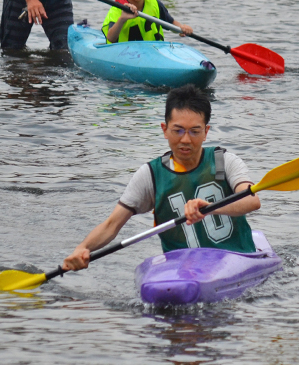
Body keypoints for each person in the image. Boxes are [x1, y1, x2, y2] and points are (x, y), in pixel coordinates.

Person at [63, 85, 261, 271]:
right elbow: (111, 225)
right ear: (164, 130)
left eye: (194, 131)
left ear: (206, 132)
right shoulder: (151, 175)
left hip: (236, 260)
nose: (185, 139)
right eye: (178, 130)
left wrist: (211, 208)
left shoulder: (224, 161)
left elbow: (251, 200)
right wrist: (82, 248)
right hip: (182, 270)